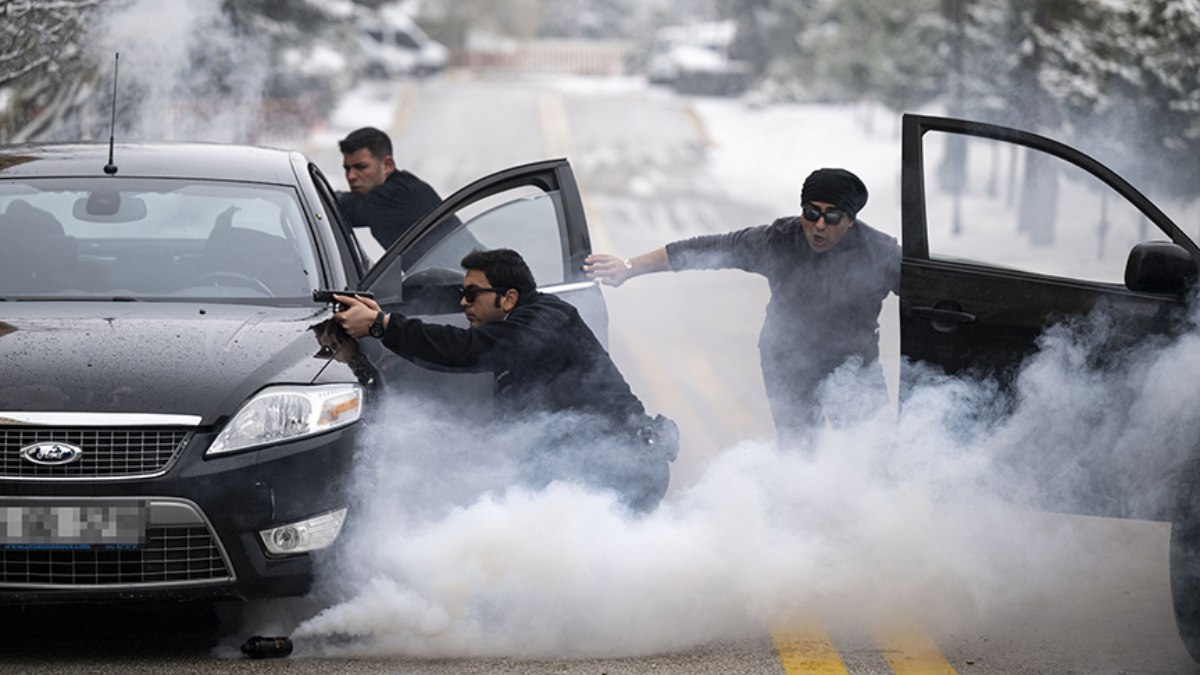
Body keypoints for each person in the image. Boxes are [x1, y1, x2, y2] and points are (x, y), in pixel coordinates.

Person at [333, 248, 676, 513]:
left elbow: (466, 350)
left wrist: (382, 325)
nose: (463, 302)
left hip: (623, 469)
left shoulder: (545, 320)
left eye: (472, 293)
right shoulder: (524, 321)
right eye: (462, 294)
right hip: (586, 465)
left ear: (508, 297)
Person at [584, 168, 900, 446]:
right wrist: (629, 266)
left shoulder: (880, 253)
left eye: (831, 217)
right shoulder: (778, 240)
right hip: (789, 359)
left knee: (871, 449)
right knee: (801, 450)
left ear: (850, 221)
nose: (818, 225)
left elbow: (928, 295)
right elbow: (707, 248)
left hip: (855, 363)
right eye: (810, 212)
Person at [336, 126, 444, 249]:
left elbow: (341, 206)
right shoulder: (402, 186)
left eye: (361, 167)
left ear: (387, 165)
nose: (351, 176)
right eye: (347, 168)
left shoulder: (400, 195)